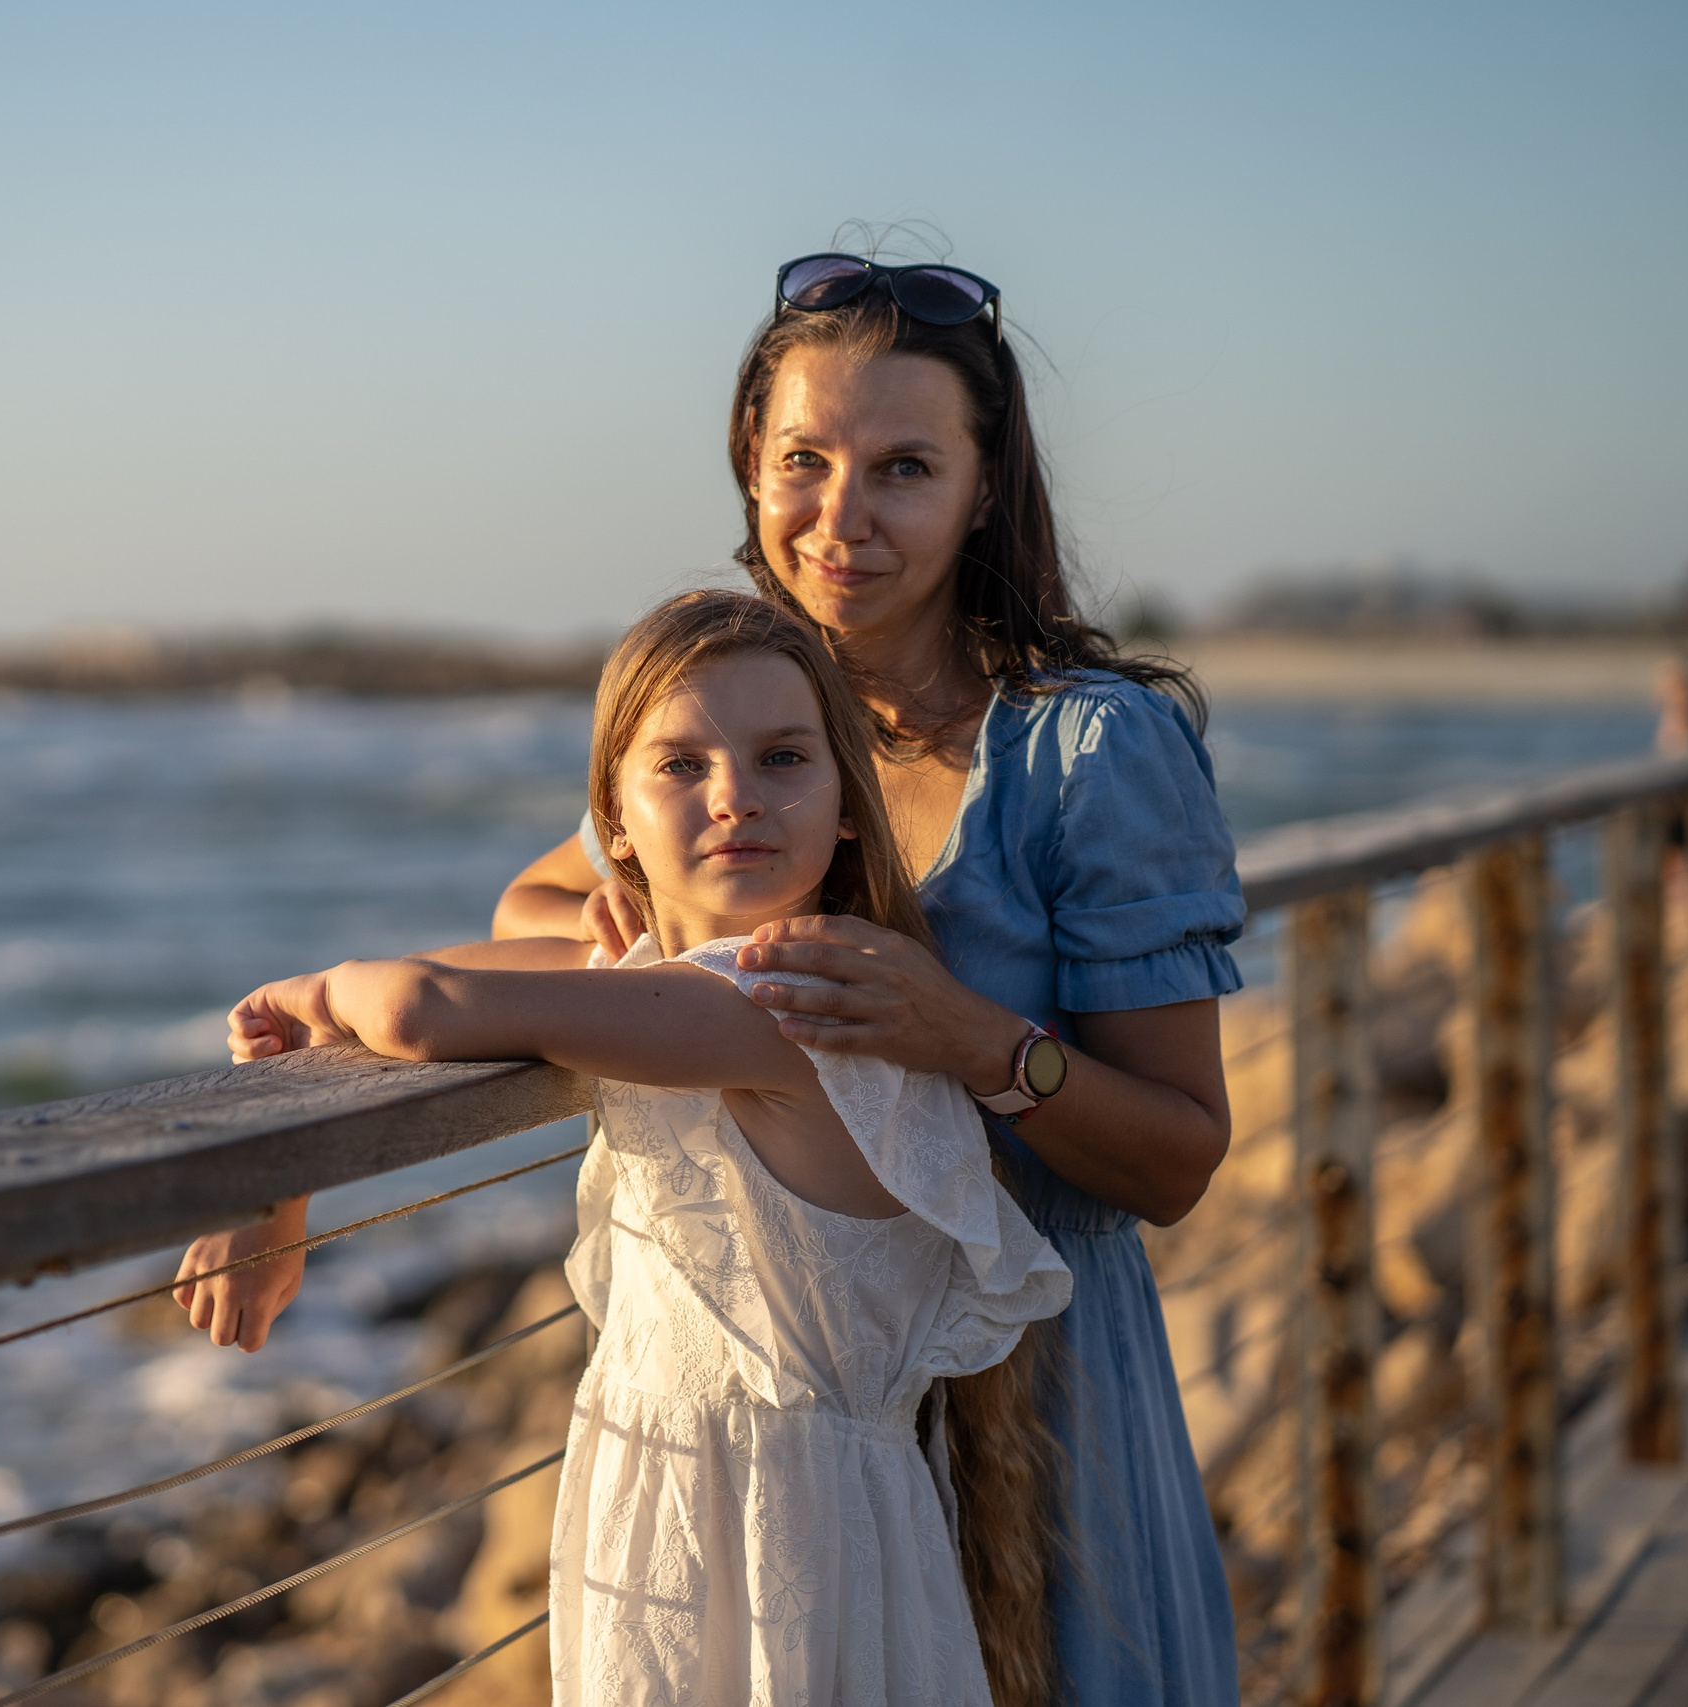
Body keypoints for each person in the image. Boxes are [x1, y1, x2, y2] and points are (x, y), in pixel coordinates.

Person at [492, 253, 1246, 1705]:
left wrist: (973, 1040)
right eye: (804, 461)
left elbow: (1178, 1156)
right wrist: (610, 913)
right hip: (792, 1436)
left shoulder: (1088, 751)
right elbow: (533, 900)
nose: (841, 516)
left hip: (1039, 1399)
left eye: (904, 466)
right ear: (750, 468)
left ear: (984, 488)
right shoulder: (757, 718)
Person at [189, 591, 1071, 1705]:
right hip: (688, 1507)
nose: (735, 796)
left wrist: (313, 994)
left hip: (778, 1539)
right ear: (613, 825)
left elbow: (414, 1007)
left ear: (849, 802)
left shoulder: (792, 1000)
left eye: (783, 757)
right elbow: (407, 999)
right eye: (682, 767)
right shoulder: (656, 982)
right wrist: (279, 1190)